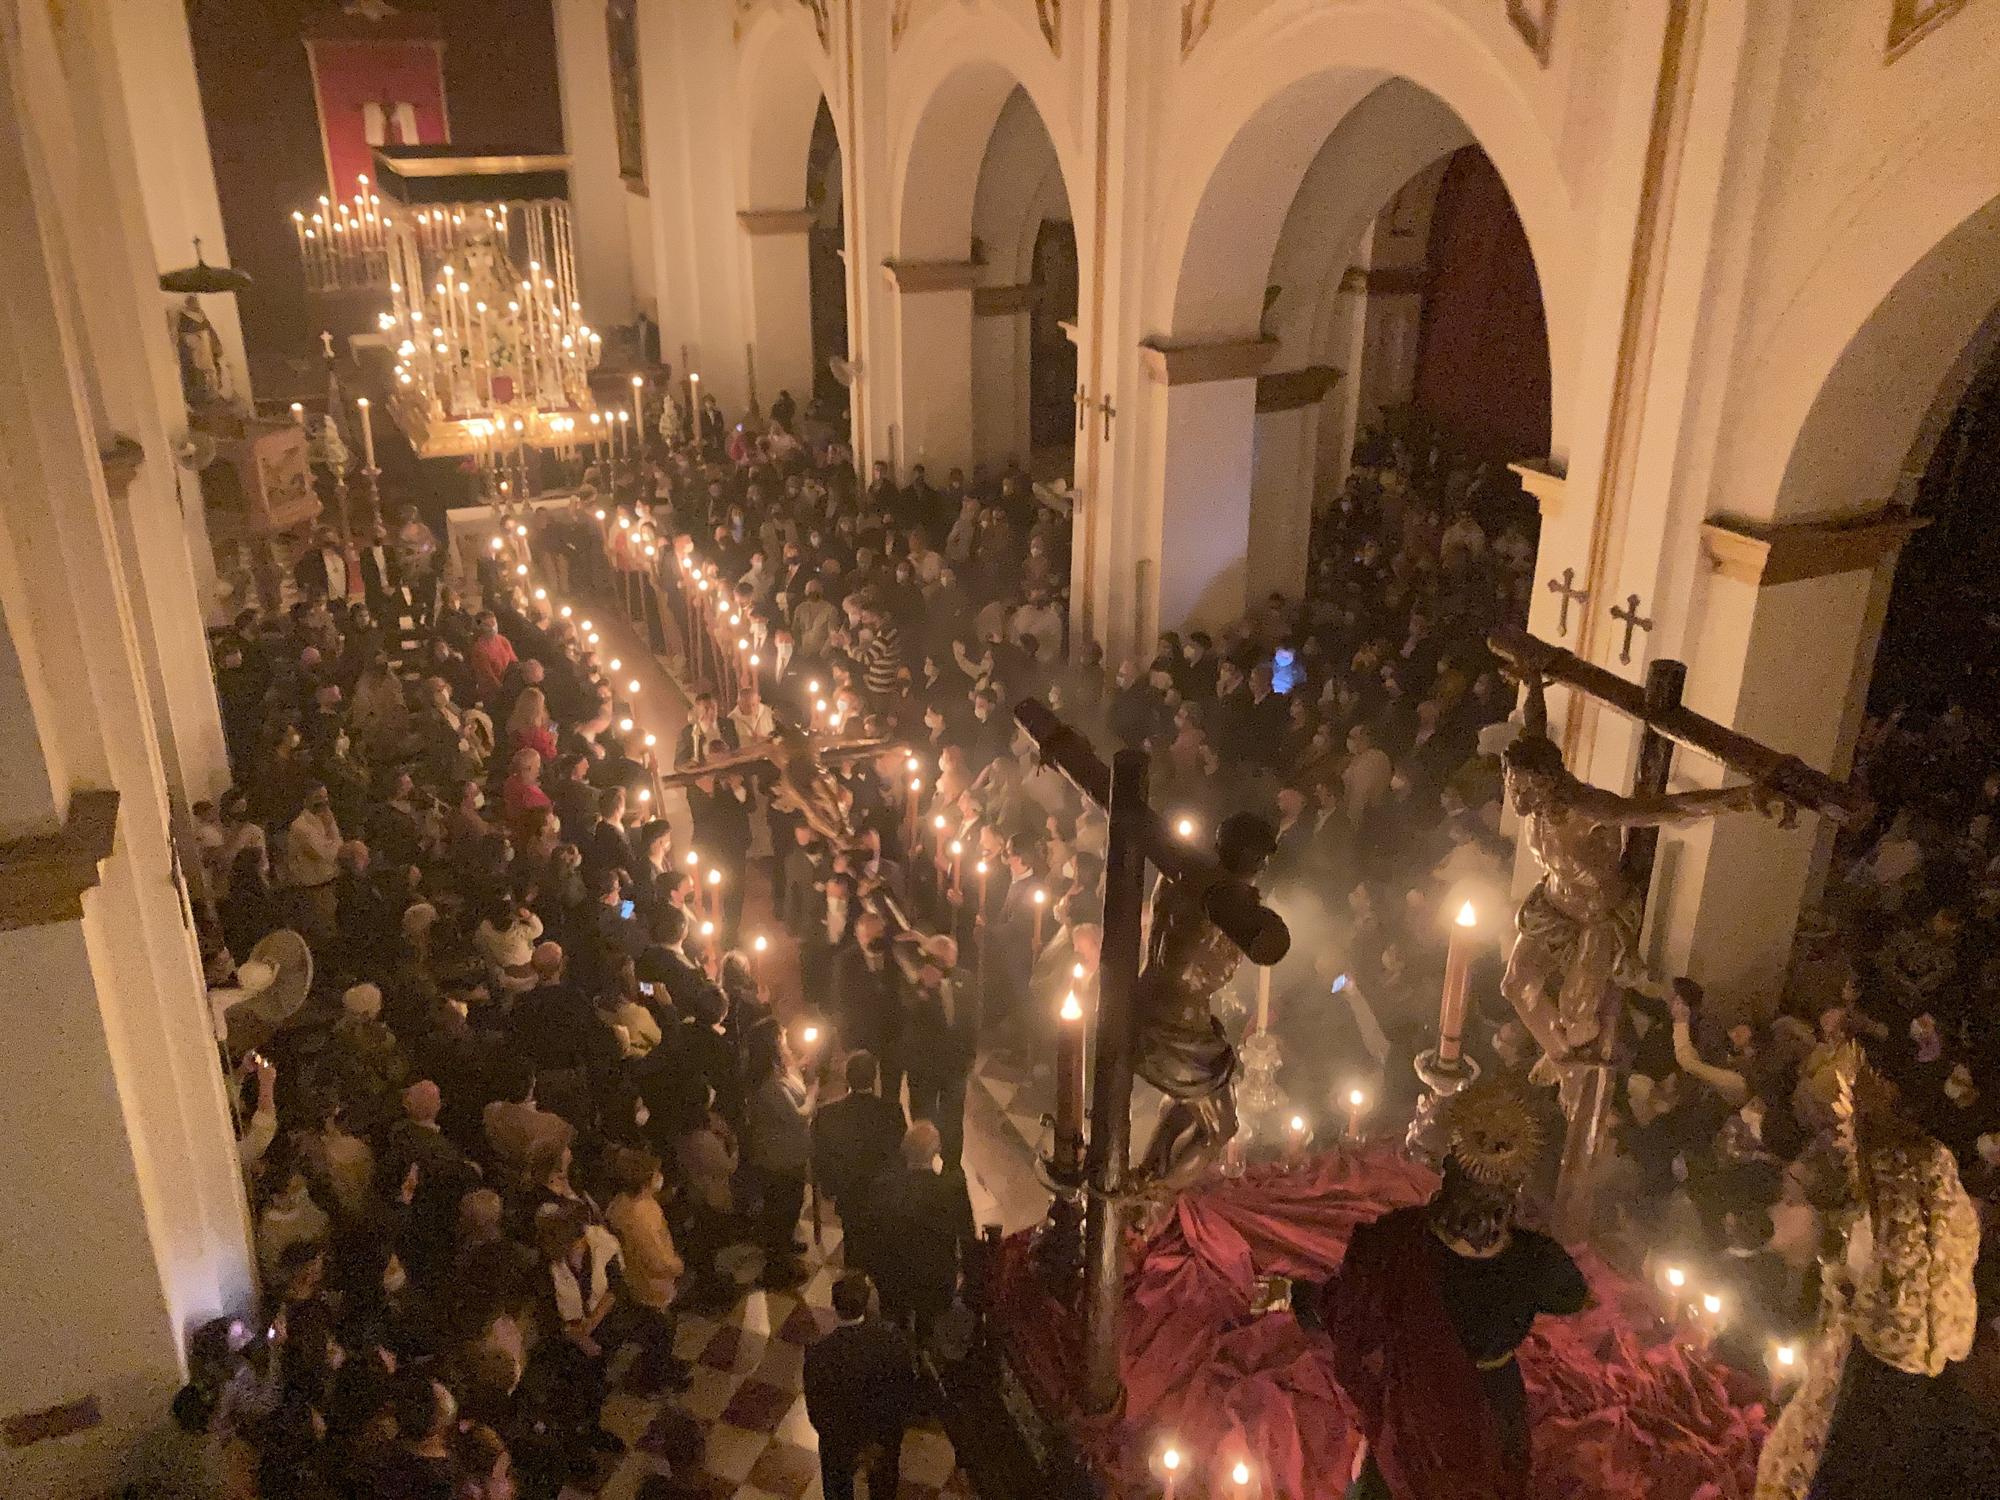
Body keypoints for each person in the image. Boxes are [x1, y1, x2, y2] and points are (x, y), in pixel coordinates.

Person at [1279, 1082, 1588, 1499]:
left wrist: (1299, 1297)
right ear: (1512, 1191)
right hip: (1495, 1414)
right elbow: (1574, 1297)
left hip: (1416, 1409)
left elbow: (1350, 1314)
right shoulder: (1537, 1260)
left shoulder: (1395, 1241)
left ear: (1449, 1172)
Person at [803, 1271, 922, 1500]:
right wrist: (877, 1440)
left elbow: (817, 1410)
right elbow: (902, 1393)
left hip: (839, 1442)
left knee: (837, 1486)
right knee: (884, 1485)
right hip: (883, 1436)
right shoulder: (891, 1341)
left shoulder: (819, 1354)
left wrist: (847, 1445)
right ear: (867, 1303)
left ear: (834, 1305)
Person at [810, 1050, 906, 1217]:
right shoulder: (892, 1112)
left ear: (847, 1077)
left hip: (845, 1190)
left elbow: (819, 1152)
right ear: (874, 1077)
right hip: (881, 1188)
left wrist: (828, 1185)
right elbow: (899, 1151)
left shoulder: (827, 1112)